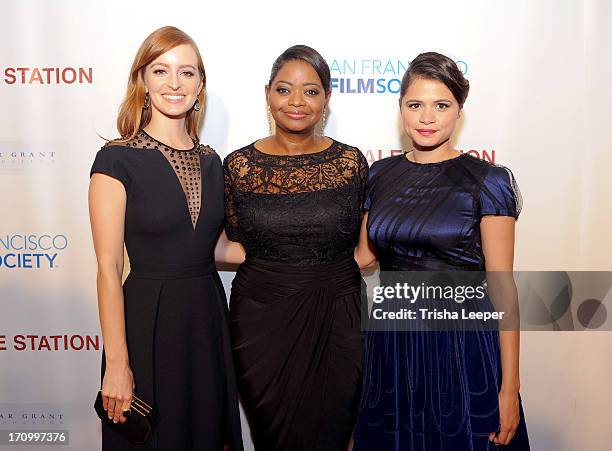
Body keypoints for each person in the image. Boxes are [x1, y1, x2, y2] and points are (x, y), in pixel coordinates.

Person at [353, 52, 530, 450]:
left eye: (441, 105)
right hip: (393, 343)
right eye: (415, 105)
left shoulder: (488, 181)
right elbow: (363, 257)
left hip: (461, 343)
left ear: (459, 111)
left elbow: (503, 288)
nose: (427, 117)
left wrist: (510, 387)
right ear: (400, 109)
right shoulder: (380, 175)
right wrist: (285, 251)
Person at [89, 26, 243, 451]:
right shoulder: (115, 159)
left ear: (200, 85)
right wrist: (118, 362)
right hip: (147, 323)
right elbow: (108, 267)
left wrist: (291, 249)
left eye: (187, 73)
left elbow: (213, 247)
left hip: (206, 319)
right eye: (161, 70)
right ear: (143, 80)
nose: (175, 84)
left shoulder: (213, 162)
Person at [223, 45, 367, 451]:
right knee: (272, 437)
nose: (297, 102)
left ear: (327, 98)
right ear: (267, 93)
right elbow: (229, 240)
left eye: (311, 91)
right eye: (284, 90)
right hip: (260, 322)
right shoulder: (238, 166)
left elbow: (367, 244)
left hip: (339, 316)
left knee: (334, 434)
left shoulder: (352, 163)